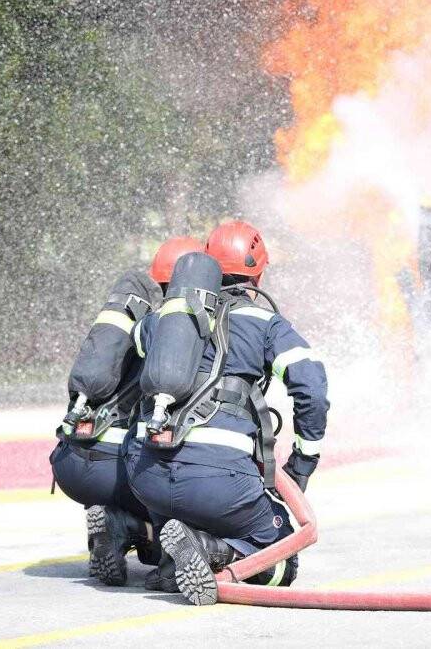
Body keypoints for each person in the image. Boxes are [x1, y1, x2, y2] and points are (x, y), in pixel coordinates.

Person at [125, 220, 329, 605]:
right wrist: (303, 462)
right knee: (283, 556)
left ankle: (171, 554)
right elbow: (311, 386)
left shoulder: (168, 320)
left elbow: (130, 360)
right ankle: (210, 550)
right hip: (218, 481)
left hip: (146, 478)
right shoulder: (265, 323)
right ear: (259, 271)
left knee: (187, 501)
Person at [50, 236, 203, 586]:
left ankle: (116, 530)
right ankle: (154, 551)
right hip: (123, 469)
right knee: (180, 480)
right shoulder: (180, 334)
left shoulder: (129, 320)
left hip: (72, 460)